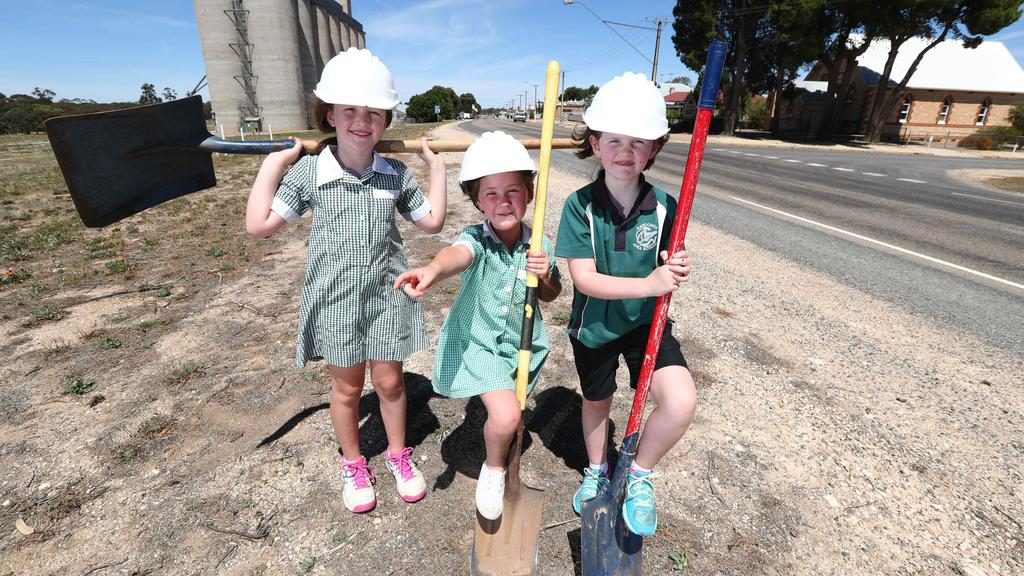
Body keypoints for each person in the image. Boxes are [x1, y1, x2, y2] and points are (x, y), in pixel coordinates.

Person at [245, 47, 447, 514]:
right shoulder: (310, 173)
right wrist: (273, 164)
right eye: (350, 111)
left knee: (391, 384)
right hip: (335, 302)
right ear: (329, 115)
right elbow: (259, 225)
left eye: (374, 112)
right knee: (348, 390)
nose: (362, 121)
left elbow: (432, 222)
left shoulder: (394, 173)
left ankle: (398, 454)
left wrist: (435, 169)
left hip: (386, 297)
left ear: (385, 120)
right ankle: (354, 462)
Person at [554, 72, 695, 537]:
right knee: (598, 403)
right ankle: (597, 467)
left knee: (680, 403)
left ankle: (637, 474)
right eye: (614, 140)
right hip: (595, 327)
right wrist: (652, 283)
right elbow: (585, 280)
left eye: (638, 142)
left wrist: (674, 266)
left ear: (654, 149)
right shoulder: (579, 206)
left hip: (646, 326)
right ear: (594, 144)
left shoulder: (667, 207)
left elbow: (665, 263)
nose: (625, 151)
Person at [394, 131, 562, 520]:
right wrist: (433, 270)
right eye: (490, 193)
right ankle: (495, 468)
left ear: (529, 193)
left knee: (510, 411)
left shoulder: (540, 242)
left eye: (513, 191)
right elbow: (457, 255)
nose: (503, 202)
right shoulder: (476, 238)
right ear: (476, 200)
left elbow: (551, 296)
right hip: (480, 343)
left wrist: (548, 272)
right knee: (506, 416)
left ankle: (500, 443)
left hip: (523, 345)